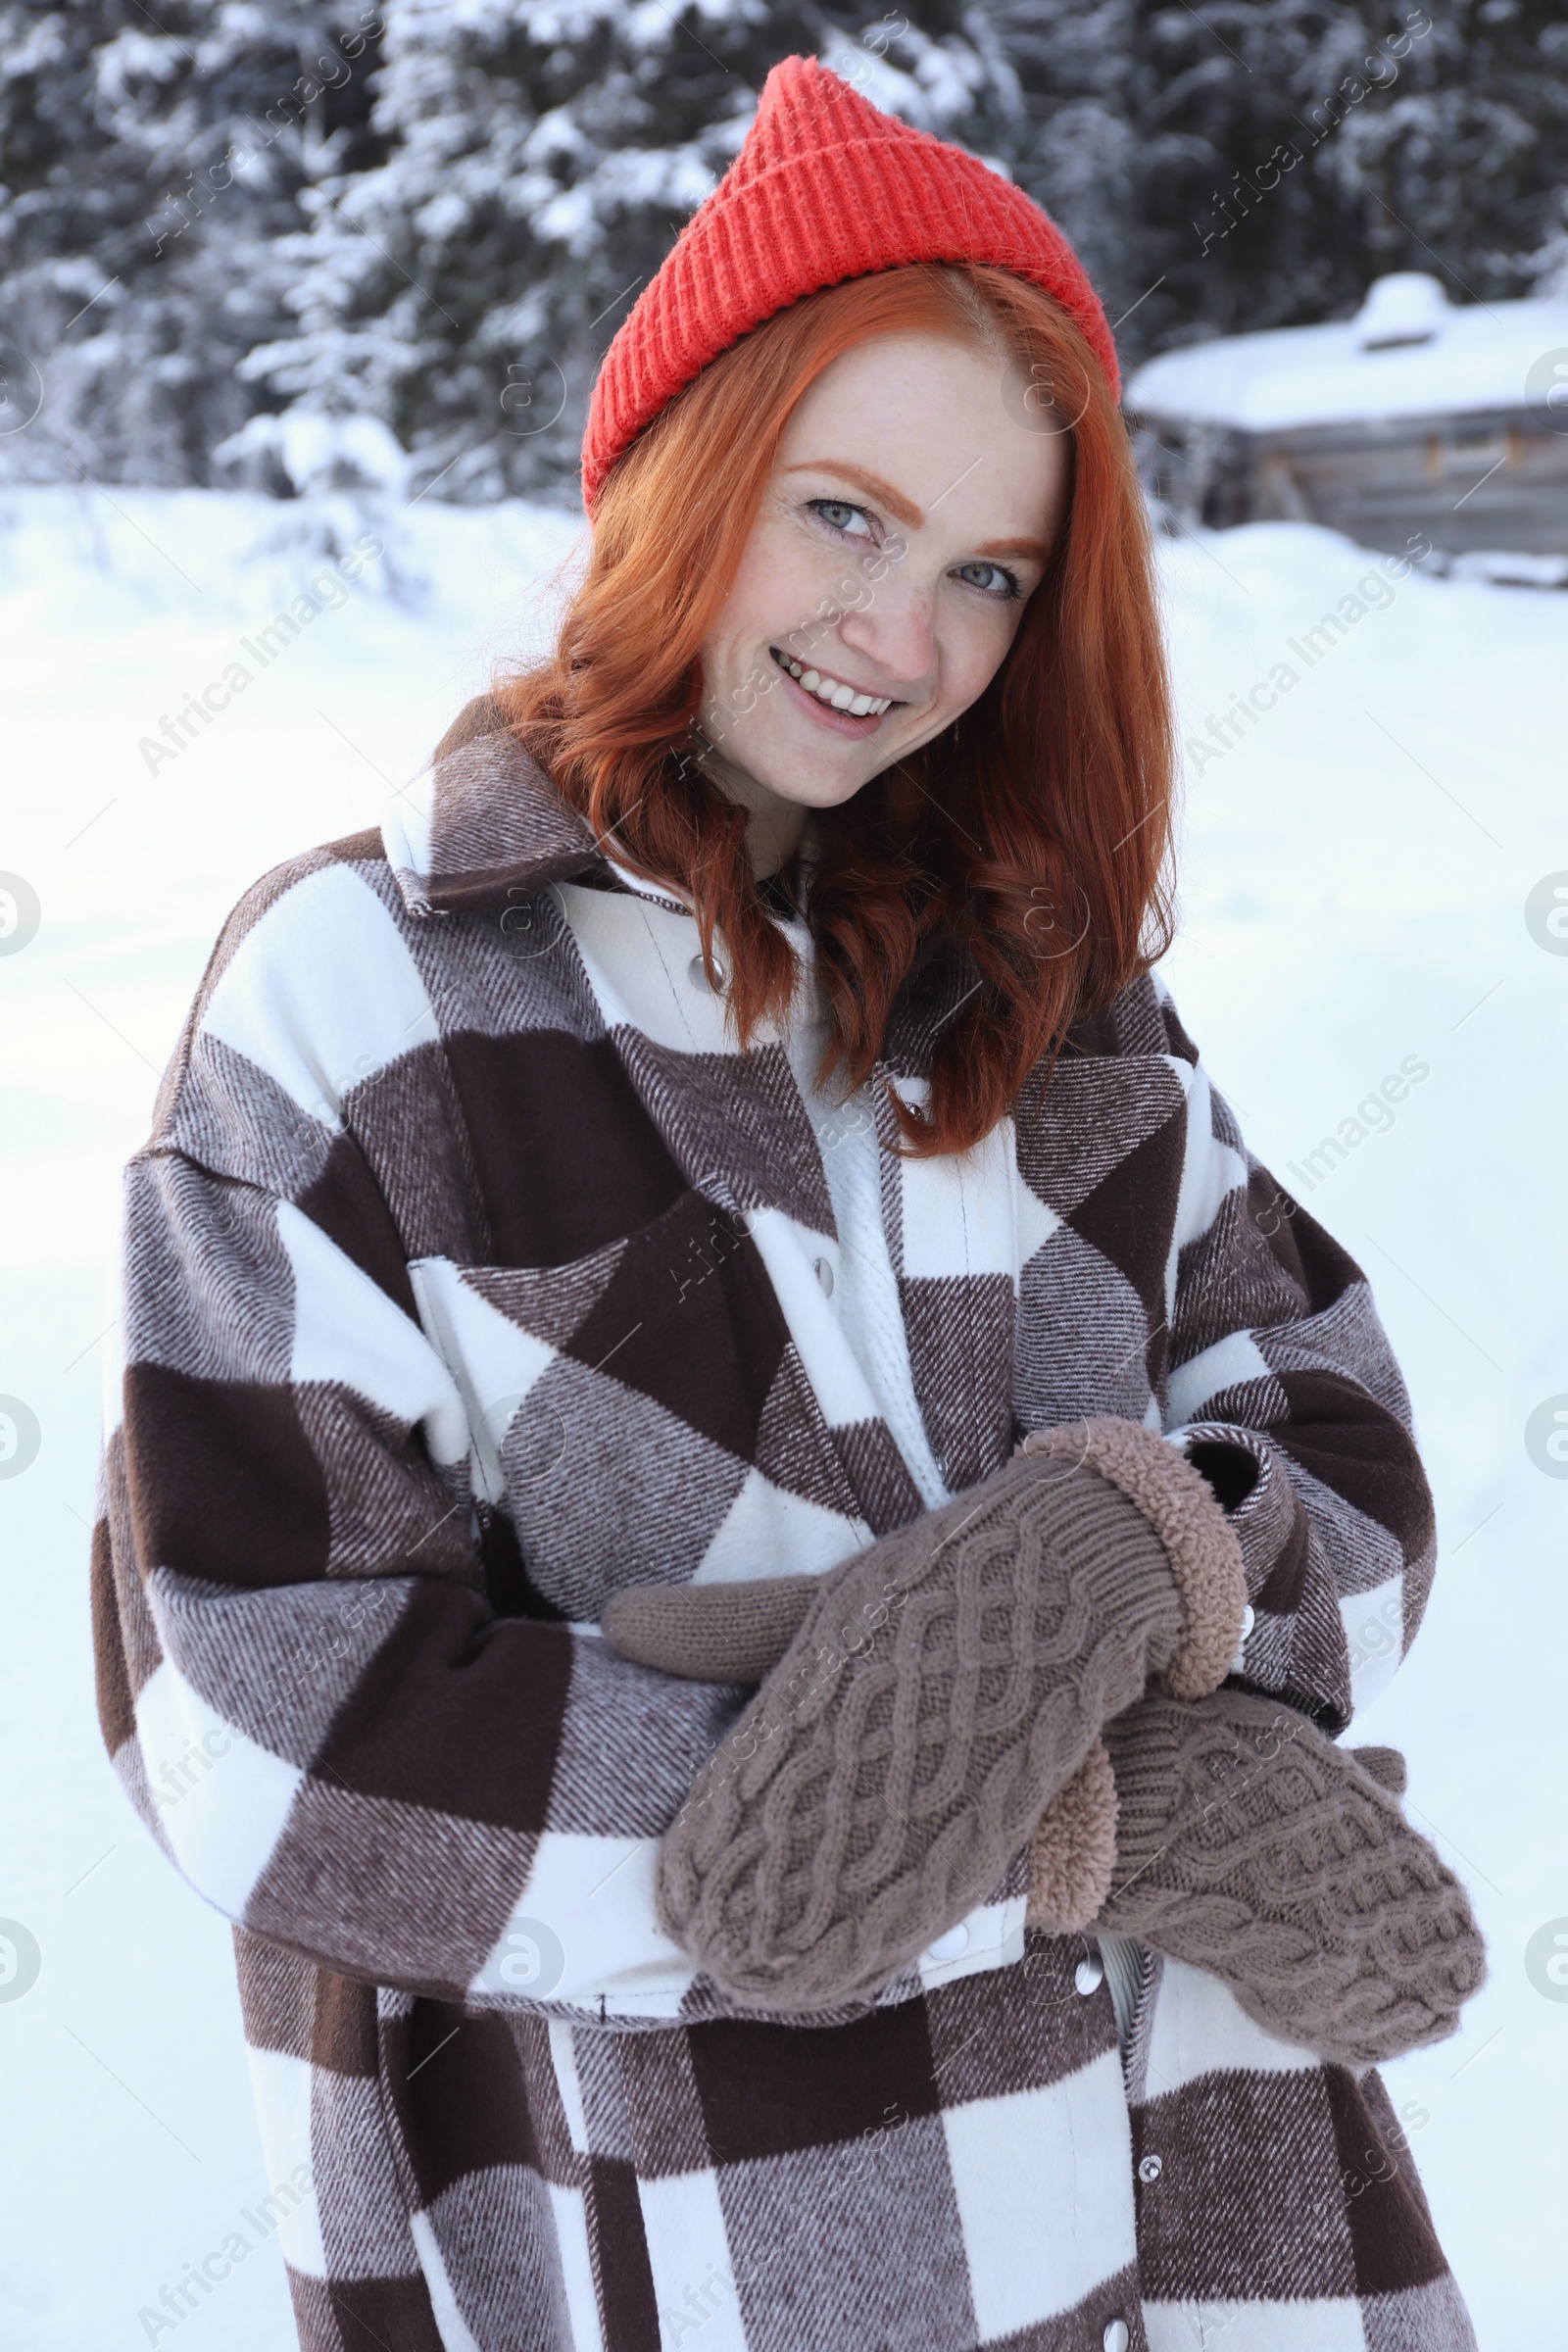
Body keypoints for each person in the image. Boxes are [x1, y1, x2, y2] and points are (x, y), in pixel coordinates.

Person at [90, 55, 1485, 2352]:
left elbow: (1341, 1448)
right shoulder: (361, 1003)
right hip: (690, 2228)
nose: (902, 640)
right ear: (680, 471)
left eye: (984, 572)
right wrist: (1059, 1820)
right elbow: (267, 1724)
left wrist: (1139, 1551)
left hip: (1203, 2215)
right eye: (839, 515)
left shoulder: (1055, 1000)